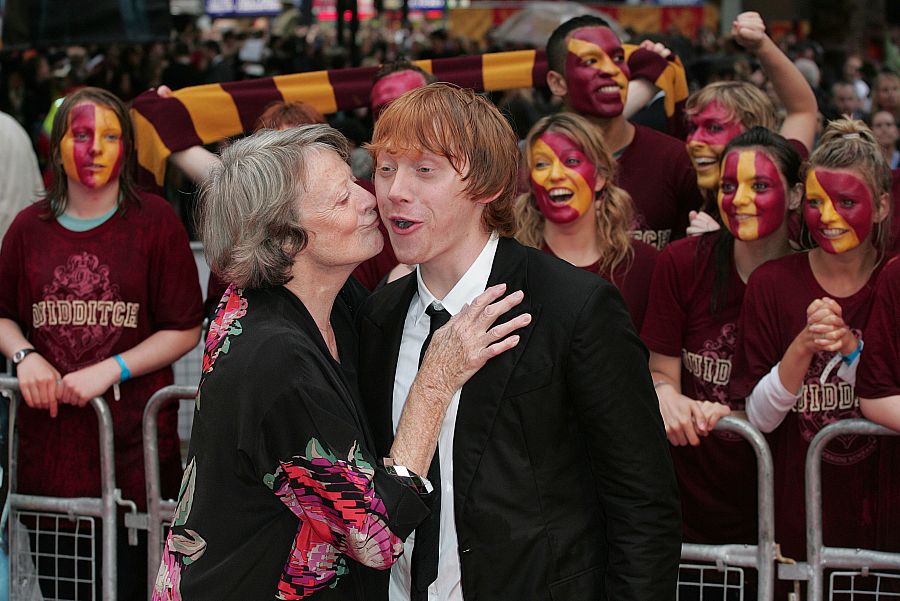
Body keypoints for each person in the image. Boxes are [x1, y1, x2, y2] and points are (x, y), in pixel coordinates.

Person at [153, 125, 531, 600]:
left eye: (356, 180)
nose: (372, 198)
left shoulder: (323, 300)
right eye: (340, 199)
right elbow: (375, 534)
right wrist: (435, 381)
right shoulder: (274, 357)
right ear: (286, 241)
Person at [359, 83, 681, 601]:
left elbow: (642, 503)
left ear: (487, 185)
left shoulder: (573, 307)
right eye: (386, 167)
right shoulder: (379, 317)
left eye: (424, 170)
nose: (396, 190)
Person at [0, 86, 205, 599]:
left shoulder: (155, 223)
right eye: (82, 134)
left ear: (128, 147)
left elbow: (185, 328)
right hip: (49, 462)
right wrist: (23, 356)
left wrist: (113, 367)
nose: (95, 148)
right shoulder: (27, 229)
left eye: (110, 136)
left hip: (135, 465)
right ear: (57, 146)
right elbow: (1, 316)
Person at [730, 119, 895, 579]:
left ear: (881, 206)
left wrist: (850, 351)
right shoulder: (772, 283)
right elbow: (759, 419)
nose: (828, 217)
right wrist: (803, 346)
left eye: (847, 202)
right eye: (817, 202)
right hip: (796, 525)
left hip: (882, 518)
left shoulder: (893, 282)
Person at [642, 127, 803, 548]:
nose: (740, 200)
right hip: (693, 511)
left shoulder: (814, 277)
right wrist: (666, 395)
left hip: (787, 512)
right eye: (729, 186)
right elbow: (660, 369)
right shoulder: (681, 263)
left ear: (799, 195)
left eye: (761, 185)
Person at [545, 15, 703, 249]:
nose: (610, 70)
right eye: (590, 61)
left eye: (618, 58)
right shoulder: (534, 167)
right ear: (558, 83)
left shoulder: (675, 159)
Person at [515, 112, 658, 330]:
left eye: (571, 161)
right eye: (542, 164)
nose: (555, 175)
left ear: (599, 177)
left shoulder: (644, 264)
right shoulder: (512, 265)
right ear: (531, 182)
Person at [683, 11, 817, 234]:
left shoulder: (780, 169)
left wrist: (762, 45)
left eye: (714, 127)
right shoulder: (684, 181)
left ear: (751, 129)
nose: (695, 141)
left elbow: (802, 109)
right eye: (692, 128)